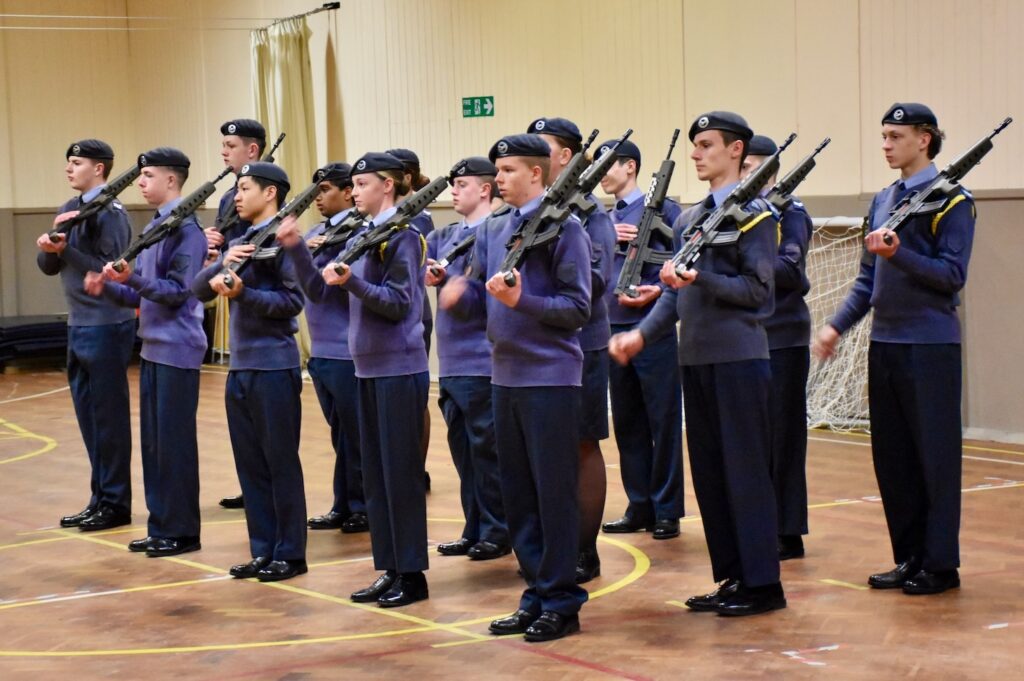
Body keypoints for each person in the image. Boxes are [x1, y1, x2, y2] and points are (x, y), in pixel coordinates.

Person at [609, 111, 786, 616]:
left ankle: (763, 584)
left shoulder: (756, 215)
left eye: (706, 144)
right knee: (710, 475)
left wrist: (699, 281)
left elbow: (758, 294)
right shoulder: (690, 219)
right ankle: (732, 576)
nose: (695, 153)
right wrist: (641, 336)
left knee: (745, 472)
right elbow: (674, 296)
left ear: (735, 150)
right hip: (697, 361)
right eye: (695, 145)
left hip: (739, 360)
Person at [814, 103, 973, 595]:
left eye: (895, 136)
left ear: (924, 139)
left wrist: (899, 252)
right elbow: (868, 279)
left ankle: (940, 564)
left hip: (929, 346)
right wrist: (837, 326)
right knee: (894, 459)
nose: (885, 144)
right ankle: (908, 557)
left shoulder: (952, 200)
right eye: (883, 135)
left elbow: (952, 276)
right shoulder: (884, 201)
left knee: (935, 459)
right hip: (884, 344)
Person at [442, 134, 590, 642]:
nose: (498, 178)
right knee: (519, 496)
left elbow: (577, 309)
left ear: (537, 173)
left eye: (506, 171)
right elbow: (487, 297)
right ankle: (535, 593)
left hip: (550, 379)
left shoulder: (565, 228)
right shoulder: (496, 229)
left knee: (553, 496)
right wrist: (459, 295)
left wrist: (523, 301)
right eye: (497, 171)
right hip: (501, 376)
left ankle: (561, 601)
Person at [84, 147, 207, 556]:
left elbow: (176, 293)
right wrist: (110, 287)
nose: (141, 182)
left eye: (148, 175)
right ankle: (161, 525)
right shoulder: (158, 225)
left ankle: (183, 530)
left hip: (178, 349)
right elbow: (144, 292)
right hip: (154, 347)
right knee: (154, 444)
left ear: (172, 181)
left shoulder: (187, 231)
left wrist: (132, 279)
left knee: (173, 444)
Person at [322, 152, 431, 608]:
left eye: (363, 183)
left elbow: (400, 302)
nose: (356, 191)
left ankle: (412, 574)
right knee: (378, 478)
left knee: (400, 476)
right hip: (367, 366)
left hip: (399, 368)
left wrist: (352, 284)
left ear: (387, 185)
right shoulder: (366, 235)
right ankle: (389, 568)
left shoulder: (402, 237)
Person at [192, 162, 308, 582]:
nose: (237, 197)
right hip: (240, 368)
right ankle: (263, 549)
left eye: (244, 188)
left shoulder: (285, 241)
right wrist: (223, 260)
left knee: (280, 462)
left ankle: (290, 552)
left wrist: (244, 292)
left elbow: (292, 303)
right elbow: (198, 289)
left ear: (270, 193)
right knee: (250, 465)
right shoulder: (241, 240)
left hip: (274, 365)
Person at [527, 116, 616, 583]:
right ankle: (552, 545)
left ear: (566, 157)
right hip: (540, 347)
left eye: (543, 146)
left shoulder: (590, 214)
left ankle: (585, 549)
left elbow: (597, 280)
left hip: (582, 341)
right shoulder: (533, 212)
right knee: (545, 451)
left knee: (582, 444)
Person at [36, 139, 135, 532]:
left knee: (108, 418)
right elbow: (48, 265)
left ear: (99, 169)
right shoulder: (68, 209)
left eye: (77, 163)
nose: (69, 168)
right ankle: (99, 497)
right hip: (78, 322)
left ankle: (116, 502)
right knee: (89, 418)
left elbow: (107, 269)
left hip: (107, 323)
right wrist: (50, 245)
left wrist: (65, 250)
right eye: (68, 162)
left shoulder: (110, 213)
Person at [598, 137, 686, 541]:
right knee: (629, 421)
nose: (601, 173)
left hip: (652, 327)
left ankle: (667, 509)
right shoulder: (600, 218)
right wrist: (605, 237)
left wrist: (656, 289)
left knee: (662, 419)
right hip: (613, 326)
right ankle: (640, 504)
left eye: (607, 165)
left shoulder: (666, 210)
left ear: (630, 167)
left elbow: (680, 263)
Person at [276, 163, 368, 535]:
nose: (318, 197)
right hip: (322, 351)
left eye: (326, 189)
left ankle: (363, 505)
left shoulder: (358, 233)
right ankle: (342, 502)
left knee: (358, 435)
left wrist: (306, 251)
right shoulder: (314, 233)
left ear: (348, 192)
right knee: (339, 434)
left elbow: (326, 284)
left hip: (348, 350)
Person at [427, 156, 510, 560]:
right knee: (463, 451)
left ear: (485, 189)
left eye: (462, 184)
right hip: (451, 361)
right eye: (452, 184)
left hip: (481, 360)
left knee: (488, 453)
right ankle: (474, 525)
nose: (454, 191)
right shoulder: (447, 235)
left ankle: (498, 529)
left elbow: (493, 298)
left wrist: (462, 290)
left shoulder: (497, 232)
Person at [742, 134, 814, 560]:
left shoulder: (791, 212)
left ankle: (789, 529)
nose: (744, 172)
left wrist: (748, 256)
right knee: (754, 436)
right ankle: (761, 520)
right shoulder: (741, 213)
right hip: (750, 334)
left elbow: (790, 267)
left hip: (784, 334)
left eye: (751, 165)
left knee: (784, 435)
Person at [206, 118, 267, 511]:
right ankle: (252, 487)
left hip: (260, 306)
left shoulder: (265, 190)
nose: (224, 151)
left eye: (231, 144)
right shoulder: (231, 198)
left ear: (253, 151)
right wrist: (211, 244)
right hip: (235, 300)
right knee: (244, 423)